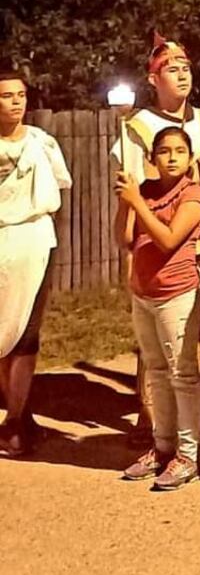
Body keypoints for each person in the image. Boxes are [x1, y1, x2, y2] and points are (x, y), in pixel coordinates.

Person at [110, 33, 200, 433]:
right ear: (153, 79)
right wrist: (132, 244)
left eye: (186, 68)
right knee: (156, 333)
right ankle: (150, 414)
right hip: (157, 244)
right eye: (172, 69)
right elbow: (131, 191)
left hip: (199, 242)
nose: (182, 75)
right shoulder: (136, 127)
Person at [115, 127, 200, 490]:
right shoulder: (146, 191)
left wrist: (137, 203)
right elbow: (125, 239)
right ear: (152, 158)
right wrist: (126, 202)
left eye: (179, 151)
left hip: (178, 294)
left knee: (182, 375)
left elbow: (169, 241)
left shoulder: (194, 195)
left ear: (190, 158)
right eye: (164, 151)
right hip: (144, 293)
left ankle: (188, 455)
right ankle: (162, 446)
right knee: (155, 371)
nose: (171, 157)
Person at [0, 66, 72, 457]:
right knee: (1, 332)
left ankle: (14, 420)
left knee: (27, 330)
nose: (16, 102)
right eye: (7, 95)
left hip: (32, 239)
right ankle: (20, 414)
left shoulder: (41, 143)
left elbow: (57, 188)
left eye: (20, 95)